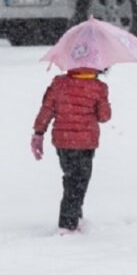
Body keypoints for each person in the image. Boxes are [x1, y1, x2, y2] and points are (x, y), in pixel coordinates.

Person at [31, 67, 111, 232]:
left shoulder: (59, 83)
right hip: (85, 143)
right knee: (79, 181)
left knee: (72, 178)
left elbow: (47, 109)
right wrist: (103, 102)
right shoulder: (98, 87)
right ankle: (67, 225)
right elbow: (104, 117)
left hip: (63, 141)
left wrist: (39, 133)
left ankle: (75, 217)